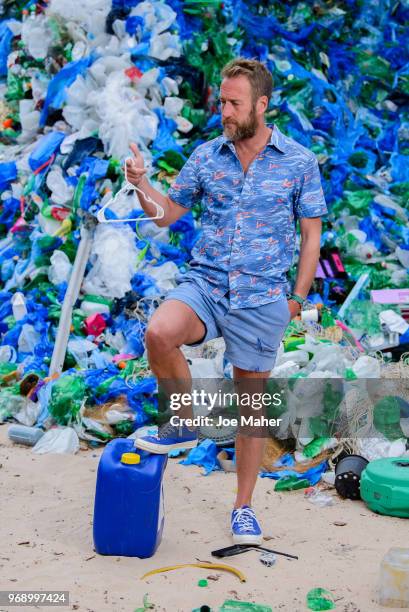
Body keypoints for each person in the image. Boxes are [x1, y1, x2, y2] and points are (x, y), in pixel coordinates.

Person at [126, 58, 327, 544]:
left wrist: (296, 301)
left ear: (261, 104)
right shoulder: (206, 156)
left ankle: (243, 508)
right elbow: (164, 216)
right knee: (159, 332)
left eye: (235, 103)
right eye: (222, 101)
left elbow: (311, 237)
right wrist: (140, 184)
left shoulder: (298, 162)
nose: (225, 111)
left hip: (262, 296)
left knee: (250, 406)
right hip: (207, 285)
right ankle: (182, 425)